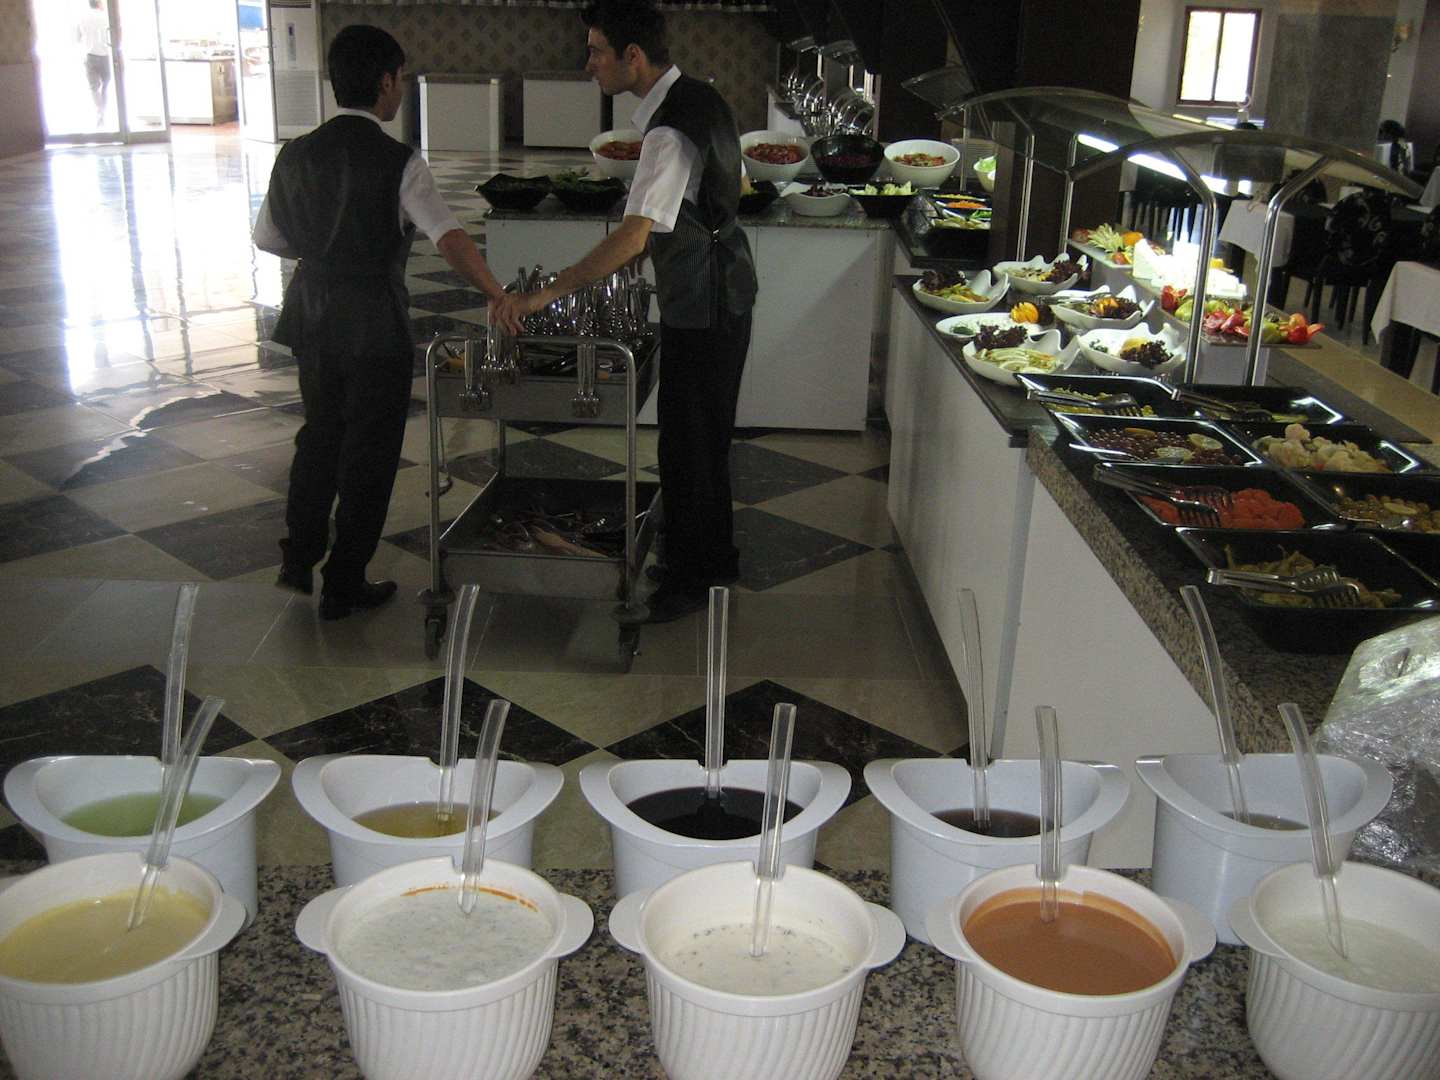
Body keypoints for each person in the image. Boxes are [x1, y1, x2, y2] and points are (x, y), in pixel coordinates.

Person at [491, 0, 757, 624]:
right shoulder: (701, 97)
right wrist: (653, 248)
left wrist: (545, 294)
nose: (588, 64)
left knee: (689, 445)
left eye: (596, 51)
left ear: (632, 56)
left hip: (704, 300)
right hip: (723, 291)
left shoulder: (667, 132)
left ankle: (690, 580)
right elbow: (705, 201)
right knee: (704, 438)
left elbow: (634, 233)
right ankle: (713, 560)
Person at [253, 25, 519, 620]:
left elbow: (267, 236)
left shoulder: (295, 153)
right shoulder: (399, 161)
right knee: (370, 453)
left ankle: (298, 559)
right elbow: (448, 236)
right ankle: (344, 581)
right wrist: (495, 292)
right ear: (386, 81)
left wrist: (321, 253)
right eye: (399, 77)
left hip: (312, 315)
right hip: (373, 321)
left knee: (320, 434)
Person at [77, 0, 111, 126]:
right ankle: (103, 111)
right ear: (98, 3)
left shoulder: (82, 17)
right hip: (105, 55)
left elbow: (77, 38)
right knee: (106, 85)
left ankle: (99, 111)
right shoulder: (106, 17)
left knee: (94, 87)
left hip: (90, 55)